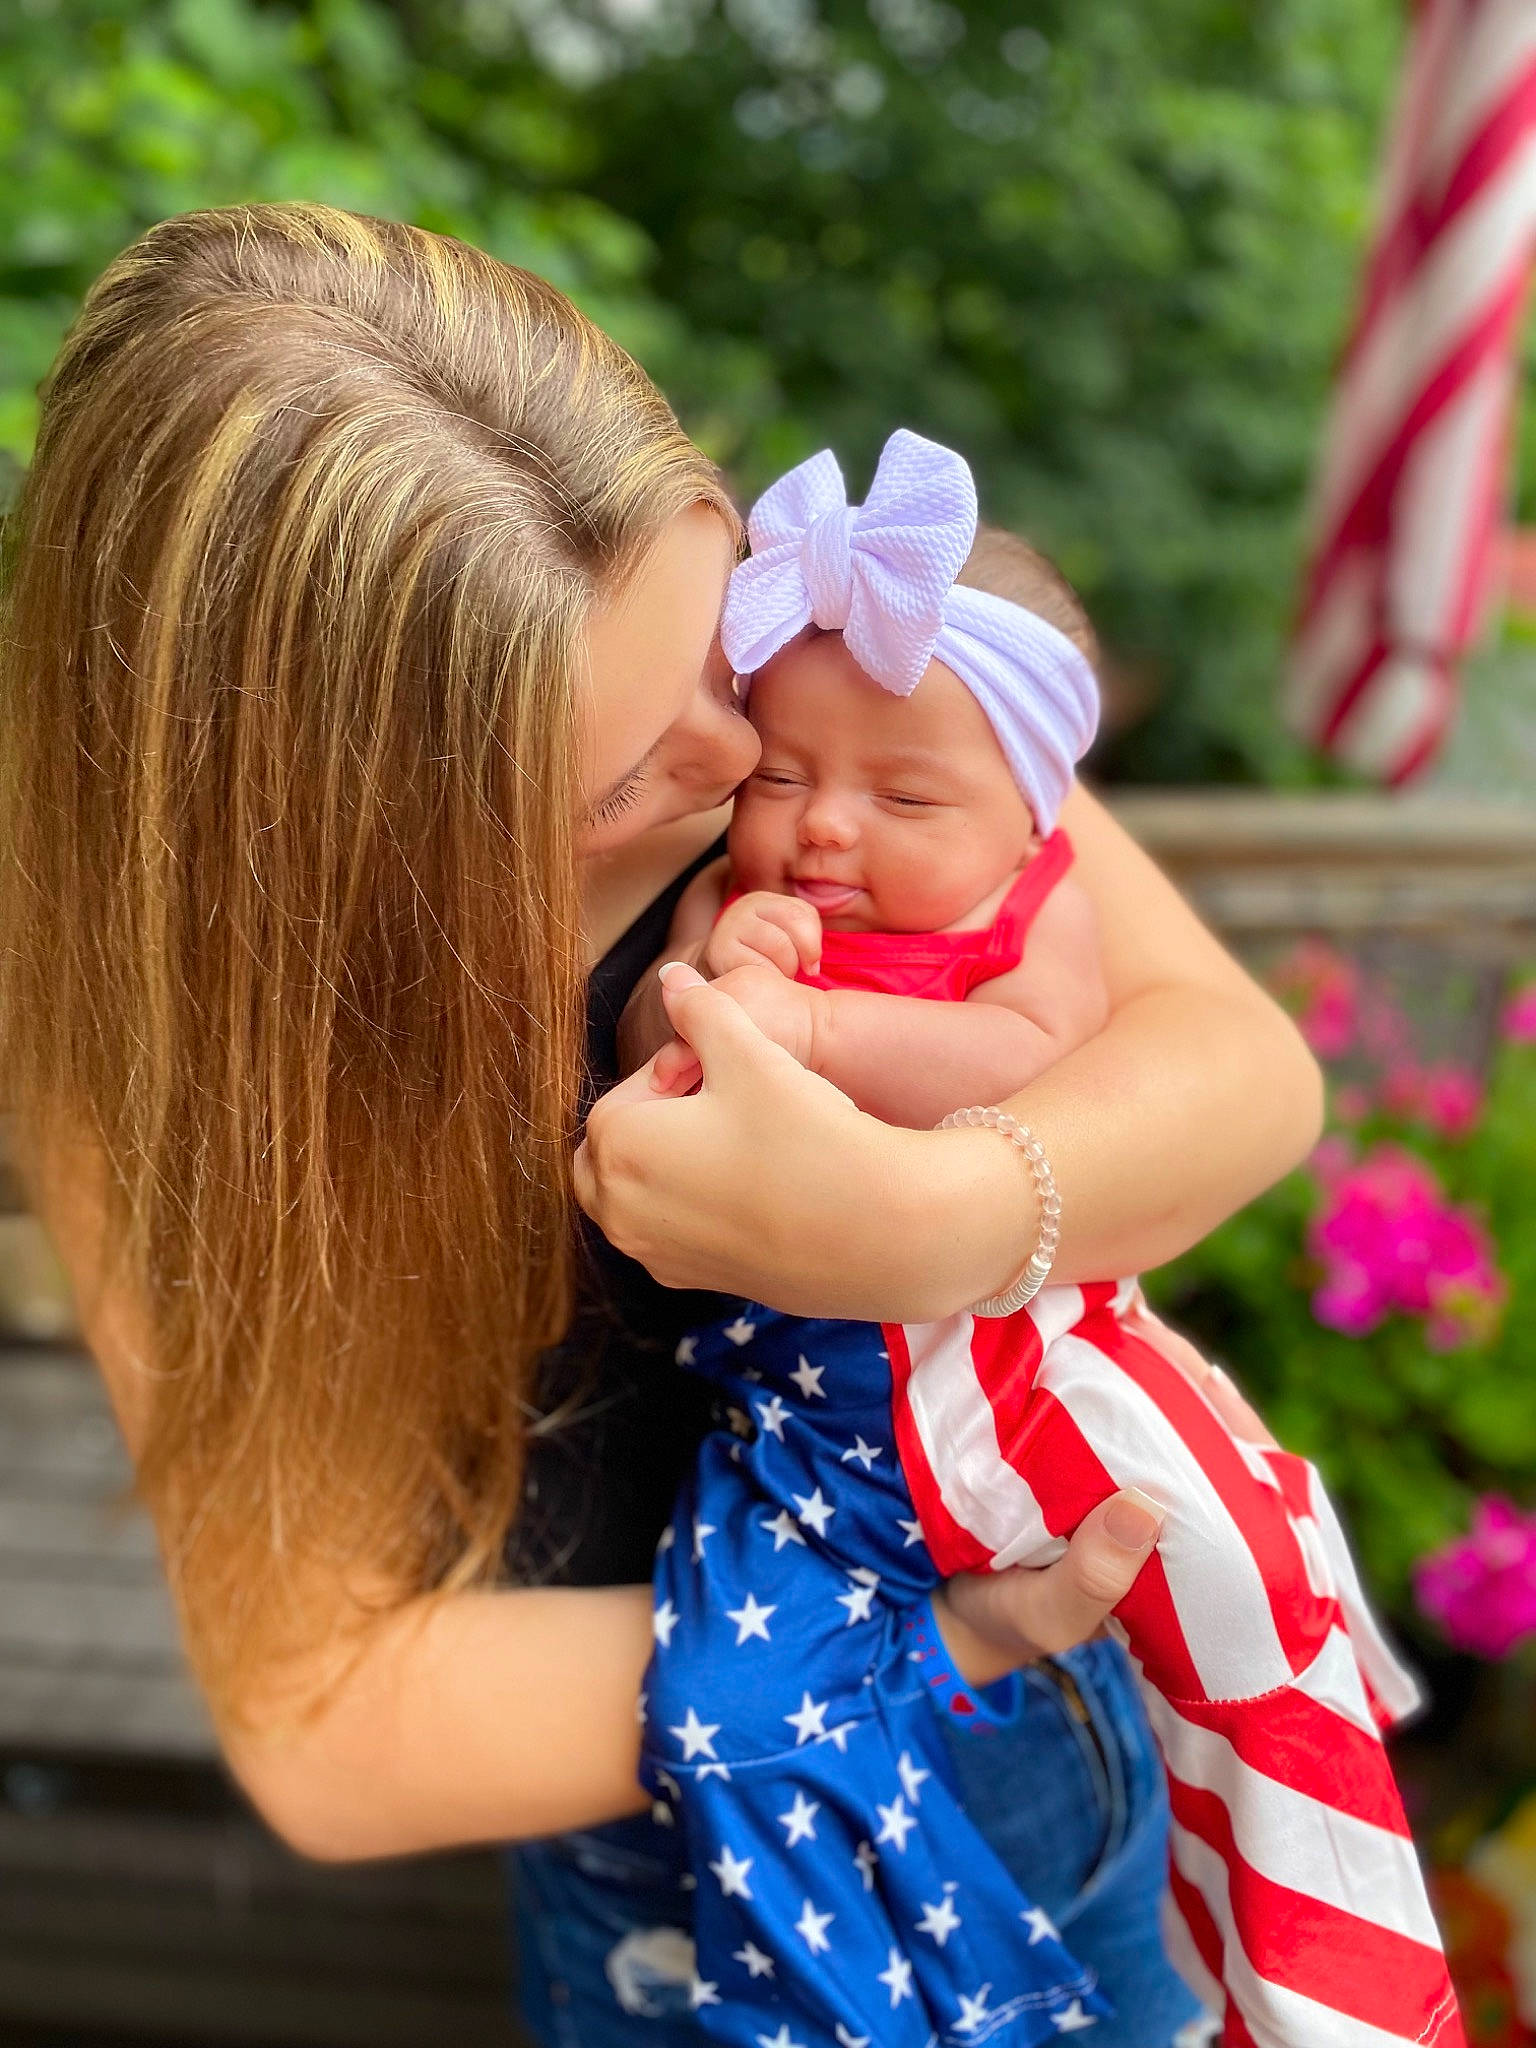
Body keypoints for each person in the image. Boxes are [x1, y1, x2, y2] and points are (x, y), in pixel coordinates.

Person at [0, 204, 1320, 2047]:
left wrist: (924, 1217)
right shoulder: (191, 1084)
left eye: (724, 642)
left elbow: (1239, 1068)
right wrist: (912, 1651)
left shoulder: (813, 716)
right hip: (685, 1855)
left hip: (1057, 1770)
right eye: (638, 771)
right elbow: (332, 1731)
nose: (745, 766)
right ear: (363, 852)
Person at [625, 432, 1459, 2048]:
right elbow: (670, 1026)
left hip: (1019, 1363)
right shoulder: (751, 908)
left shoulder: (1034, 909)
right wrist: (723, 966)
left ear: (1032, 816)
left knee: (1229, 1570)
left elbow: (1021, 1062)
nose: (823, 830)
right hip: (796, 1434)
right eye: (781, 777)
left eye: (902, 794)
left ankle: (1341, 1984)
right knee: (728, 1720)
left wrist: (803, 1022)